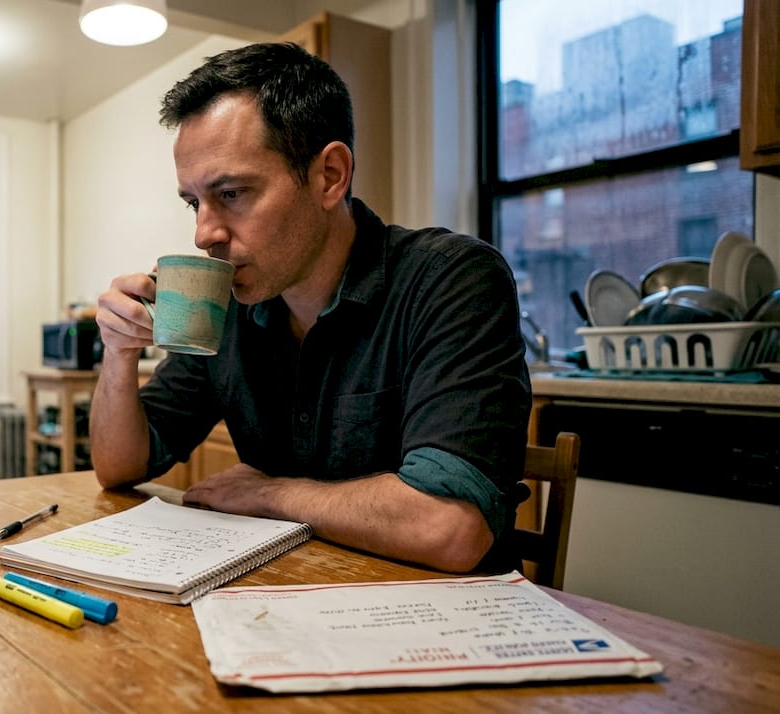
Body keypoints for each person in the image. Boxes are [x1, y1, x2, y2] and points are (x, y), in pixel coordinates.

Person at [89, 42, 531, 574]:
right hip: (281, 600)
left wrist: (270, 495)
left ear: (330, 176)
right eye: (194, 202)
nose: (204, 234)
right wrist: (118, 352)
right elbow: (119, 467)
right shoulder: (225, 306)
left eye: (231, 193)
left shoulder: (450, 280)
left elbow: (449, 527)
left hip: (443, 628)